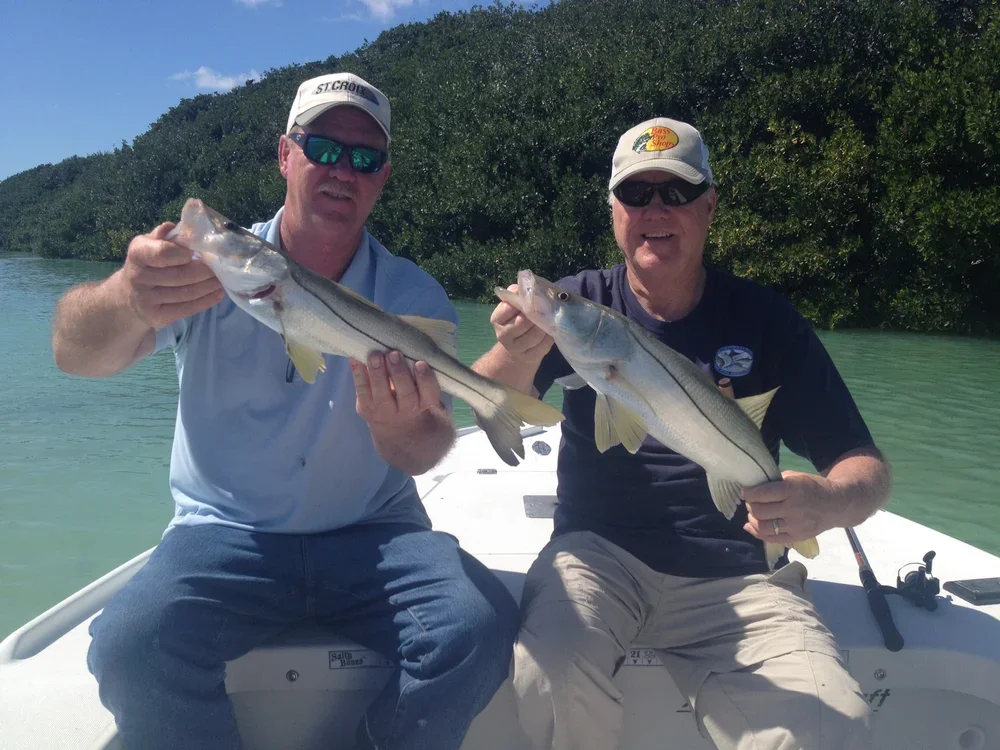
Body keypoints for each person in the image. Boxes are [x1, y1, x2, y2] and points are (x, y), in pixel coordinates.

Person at [51, 71, 519, 750]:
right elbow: (75, 354)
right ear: (285, 154)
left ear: (382, 177)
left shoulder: (412, 293)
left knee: (475, 634)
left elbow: (425, 451)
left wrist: (400, 428)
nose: (342, 170)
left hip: (377, 533)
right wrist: (125, 296)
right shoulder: (201, 274)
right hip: (224, 535)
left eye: (364, 158)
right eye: (323, 147)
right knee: (129, 650)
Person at [473, 117, 892, 750]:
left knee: (834, 725)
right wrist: (518, 350)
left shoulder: (769, 321)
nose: (655, 210)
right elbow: (490, 400)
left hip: (741, 574)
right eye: (636, 194)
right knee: (545, 666)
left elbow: (865, 467)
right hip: (598, 559)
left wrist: (827, 504)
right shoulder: (584, 303)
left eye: (677, 192)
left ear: (709, 206)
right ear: (615, 210)